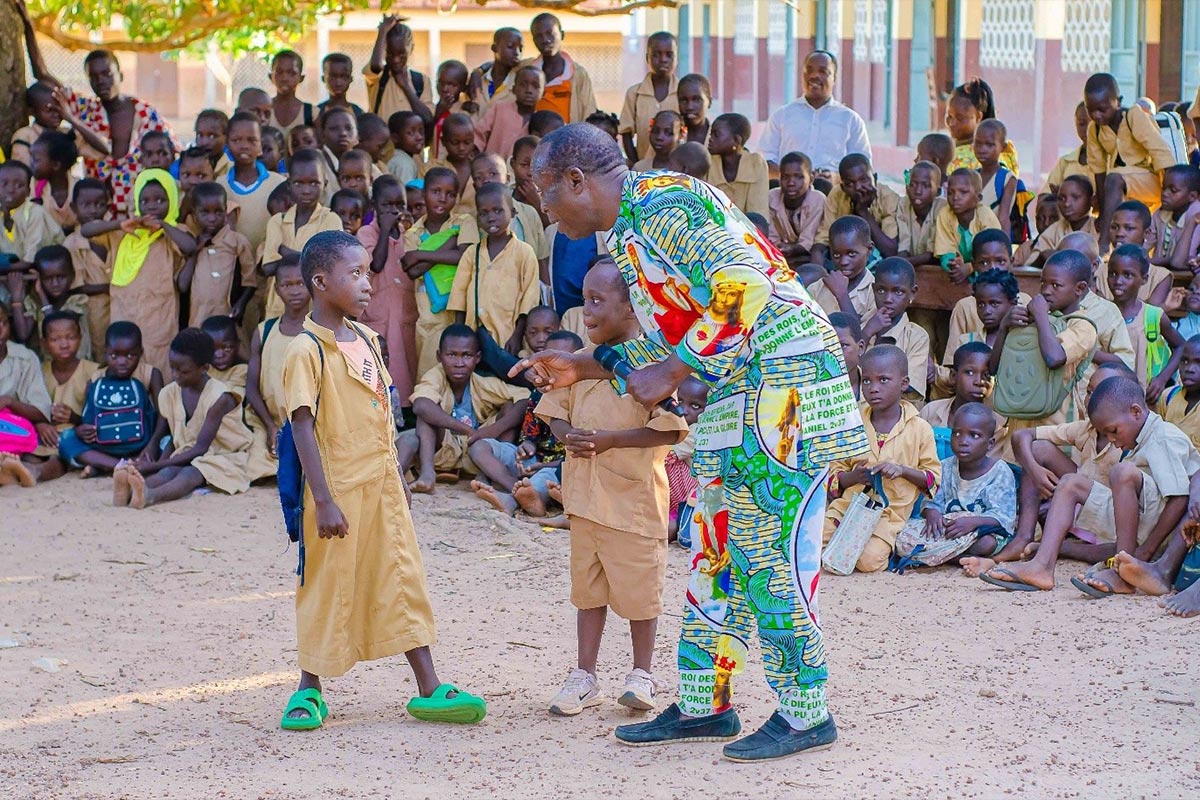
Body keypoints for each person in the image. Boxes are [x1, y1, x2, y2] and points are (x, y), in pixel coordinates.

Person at [514, 123, 868, 762]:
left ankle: (806, 712)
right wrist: (590, 366)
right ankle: (707, 704)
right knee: (714, 551)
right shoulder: (630, 231)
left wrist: (674, 372)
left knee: (769, 554)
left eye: (545, 192)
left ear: (575, 180)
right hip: (746, 395)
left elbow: (745, 284)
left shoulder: (663, 203)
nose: (544, 207)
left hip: (785, 388)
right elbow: (679, 336)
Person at [279, 230, 484, 729]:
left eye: (368, 271)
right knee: (327, 584)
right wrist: (324, 501)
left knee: (401, 576)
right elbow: (301, 426)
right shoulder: (305, 351)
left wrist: (399, 477)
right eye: (355, 274)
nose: (368, 283)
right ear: (321, 282)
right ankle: (309, 689)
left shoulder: (369, 340)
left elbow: (383, 417)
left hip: (383, 486)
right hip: (335, 493)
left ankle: (430, 687)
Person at [535, 259, 688, 715]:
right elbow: (555, 412)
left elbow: (668, 429)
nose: (587, 310)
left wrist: (609, 442)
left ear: (632, 307)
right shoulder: (578, 363)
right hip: (584, 500)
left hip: (634, 504)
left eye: (598, 301)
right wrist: (570, 438)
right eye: (584, 299)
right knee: (588, 591)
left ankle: (642, 674)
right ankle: (584, 675)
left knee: (641, 593)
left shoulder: (650, 367)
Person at [981, 376, 1200, 594]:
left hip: (1167, 529)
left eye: (1113, 431)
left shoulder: (1163, 437)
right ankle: (1042, 566)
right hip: (1144, 517)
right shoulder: (1138, 438)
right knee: (1070, 483)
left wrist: (1144, 553)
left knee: (1122, 472)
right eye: (1106, 434)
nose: (1112, 440)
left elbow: (1180, 499)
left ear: (1136, 412)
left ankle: (1122, 572)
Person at [18, 0, 175, 216]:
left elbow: (172, 154)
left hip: (141, 209)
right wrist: (28, 24)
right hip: (98, 210)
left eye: (107, 74)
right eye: (94, 77)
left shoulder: (147, 114)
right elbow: (41, 73)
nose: (101, 81)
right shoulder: (85, 109)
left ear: (120, 75)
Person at [823, 344, 941, 572]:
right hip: (848, 507)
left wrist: (902, 470)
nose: (873, 388)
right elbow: (833, 474)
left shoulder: (920, 428)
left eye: (883, 380)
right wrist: (852, 477)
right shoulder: (853, 422)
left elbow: (933, 479)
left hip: (889, 516)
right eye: (867, 381)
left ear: (904, 384)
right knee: (814, 541)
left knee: (869, 562)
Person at [112, 327, 250, 509]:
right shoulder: (171, 392)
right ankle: (130, 491)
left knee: (190, 473)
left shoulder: (220, 397)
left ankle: (150, 495)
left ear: (204, 368)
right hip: (188, 452)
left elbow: (200, 449)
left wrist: (153, 466)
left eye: (183, 371)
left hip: (224, 456)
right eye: (172, 368)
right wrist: (154, 451)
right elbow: (172, 432)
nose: (175, 375)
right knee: (168, 471)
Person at [79, 169, 195, 374]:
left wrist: (164, 225)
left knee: (158, 371)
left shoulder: (174, 233)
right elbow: (86, 230)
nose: (152, 206)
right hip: (124, 315)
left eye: (160, 200)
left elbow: (190, 247)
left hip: (159, 322)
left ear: (172, 200)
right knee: (125, 370)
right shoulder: (124, 233)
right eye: (145, 201)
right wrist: (119, 223)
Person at [399, 324, 528, 493]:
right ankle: (426, 474)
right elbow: (421, 405)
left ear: (478, 357)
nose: (459, 363)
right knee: (424, 415)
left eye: (466, 355)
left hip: (477, 450)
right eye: (452, 355)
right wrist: (466, 429)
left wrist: (491, 430)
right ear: (439, 356)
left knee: (509, 406)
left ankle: (488, 473)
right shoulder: (435, 376)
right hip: (441, 450)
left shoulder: (483, 382)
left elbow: (525, 398)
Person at [469, 313, 572, 518]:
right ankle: (513, 487)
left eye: (565, 361)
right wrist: (527, 447)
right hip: (534, 461)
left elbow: (579, 452)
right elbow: (529, 436)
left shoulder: (583, 397)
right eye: (550, 361)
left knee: (546, 478)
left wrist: (544, 465)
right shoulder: (538, 392)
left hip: (556, 468)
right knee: (479, 447)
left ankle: (520, 499)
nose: (557, 367)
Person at [988, 250, 1098, 431]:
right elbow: (993, 369)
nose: (1046, 291)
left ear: (1079, 288)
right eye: (1043, 283)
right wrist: (1003, 328)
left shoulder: (1082, 326)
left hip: (1056, 430)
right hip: (1019, 424)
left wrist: (1040, 316)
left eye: (1056, 285)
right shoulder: (1034, 318)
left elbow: (1055, 358)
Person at [899, 402, 1017, 566]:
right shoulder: (945, 467)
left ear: (990, 443)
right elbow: (932, 501)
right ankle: (952, 557)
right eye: (957, 434)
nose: (963, 441)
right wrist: (932, 514)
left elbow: (1003, 517)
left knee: (986, 544)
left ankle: (943, 557)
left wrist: (973, 522)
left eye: (974, 435)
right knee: (903, 535)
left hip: (980, 530)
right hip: (949, 530)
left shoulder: (999, 472)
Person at [1084, 73, 1179, 253]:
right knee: (1111, 184)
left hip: (1151, 183)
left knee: (1114, 178)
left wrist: (1172, 194)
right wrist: (1104, 214)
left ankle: (1103, 244)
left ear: (1118, 102)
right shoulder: (1094, 130)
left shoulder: (1133, 116)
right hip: (1124, 187)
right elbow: (1098, 172)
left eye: (1102, 109)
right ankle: (1116, 248)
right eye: (1091, 109)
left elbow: (1158, 149)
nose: (1096, 115)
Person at [448, 183, 540, 358]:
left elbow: (529, 299)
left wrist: (517, 336)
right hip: (475, 339)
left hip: (508, 337)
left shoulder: (524, 252)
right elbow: (459, 297)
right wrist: (461, 335)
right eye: (484, 213)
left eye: (498, 211)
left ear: (513, 212)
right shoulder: (472, 253)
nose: (491, 218)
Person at [402, 167, 477, 377]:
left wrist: (421, 254)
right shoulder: (413, 233)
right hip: (428, 318)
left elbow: (465, 256)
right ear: (424, 193)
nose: (443, 198)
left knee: (460, 375)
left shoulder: (464, 222)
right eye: (436, 191)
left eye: (450, 194)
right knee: (429, 376)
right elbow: (412, 270)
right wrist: (450, 244)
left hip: (460, 314)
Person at [758, 50, 871, 180]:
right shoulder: (782, 116)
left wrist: (834, 178)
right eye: (809, 70)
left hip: (834, 196)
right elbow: (763, 162)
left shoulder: (851, 120)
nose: (814, 76)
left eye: (823, 71)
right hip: (788, 196)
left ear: (834, 78)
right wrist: (793, 178)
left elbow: (863, 167)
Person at [243, 257, 307, 482]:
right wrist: (270, 427)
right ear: (277, 289)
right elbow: (251, 386)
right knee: (258, 464)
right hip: (272, 421)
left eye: (301, 283)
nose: (295, 291)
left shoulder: (322, 330)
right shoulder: (265, 331)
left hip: (311, 425)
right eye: (287, 285)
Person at [261, 149, 342, 320]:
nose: (306, 190)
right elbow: (268, 268)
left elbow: (329, 268)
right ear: (289, 185)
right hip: (278, 310)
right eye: (299, 183)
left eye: (314, 183)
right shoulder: (277, 221)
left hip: (317, 313)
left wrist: (285, 253)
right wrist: (308, 259)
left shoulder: (330, 220)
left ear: (325, 184)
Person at [1107, 245, 1183, 401]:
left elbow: (1181, 346)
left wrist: (1162, 379)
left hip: (1146, 401)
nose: (1118, 281)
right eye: (1112, 274)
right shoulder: (1102, 313)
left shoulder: (1153, 316)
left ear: (1144, 279)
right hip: (1110, 398)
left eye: (1127, 275)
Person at [177, 183, 256, 329]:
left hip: (227, 318)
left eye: (218, 212)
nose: (212, 218)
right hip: (197, 320)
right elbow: (182, 285)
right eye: (205, 213)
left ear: (226, 211)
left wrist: (241, 304)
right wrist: (195, 251)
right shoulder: (191, 243)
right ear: (194, 214)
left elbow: (250, 281)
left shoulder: (238, 242)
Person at [35, 311, 97, 475]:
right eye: (55, 339)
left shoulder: (94, 372)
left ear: (80, 338)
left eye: (70, 337)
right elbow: (29, 407)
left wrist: (74, 418)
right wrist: (40, 424)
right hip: (46, 437)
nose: (64, 344)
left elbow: (98, 417)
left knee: (62, 451)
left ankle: (36, 472)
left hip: (78, 437)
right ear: (44, 343)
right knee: (31, 453)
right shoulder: (38, 372)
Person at [0, 302, 55, 486]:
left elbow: (41, 412)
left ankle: (27, 472)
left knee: (53, 455)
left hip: (13, 431)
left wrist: (8, 402)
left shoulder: (25, 358)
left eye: (2, 323)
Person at [861, 257, 930, 402]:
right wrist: (867, 333)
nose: (888, 299)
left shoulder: (916, 337)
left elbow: (910, 388)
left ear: (912, 293)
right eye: (881, 290)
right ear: (873, 290)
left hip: (900, 416)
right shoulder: (863, 327)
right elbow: (844, 374)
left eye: (898, 292)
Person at [219, 113, 288, 258]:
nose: (244, 146)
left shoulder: (278, 184)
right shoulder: (220, 184)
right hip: (231, 270)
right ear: (227, 144)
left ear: (261, 146)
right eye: (236, 140)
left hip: (267, 268)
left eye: (252, 140)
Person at [812, 153, 901, 261]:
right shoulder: (836, 195)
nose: (858, 187)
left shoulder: (889, 198)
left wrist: (863, 212)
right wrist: (817, 258)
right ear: (843, 187)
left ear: (875, 178)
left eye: (864, 180)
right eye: (850, 184)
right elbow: (824, 237)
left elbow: (890, 251)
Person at [10, 244, 90, 358]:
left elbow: (57, 327)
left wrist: (41, 293)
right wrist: (16, 297)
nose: (55, 283)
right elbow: (23, 334)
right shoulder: (34, 303)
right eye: (48, 279)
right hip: (47, 370)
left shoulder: (77, 301)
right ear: (39, 279)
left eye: (61, 277)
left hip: (77, 367)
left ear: (72, 275)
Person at [1095, 201, 1172, 306]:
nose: (1120, 233)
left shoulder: (1160, 276)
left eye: (1129, 228)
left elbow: (1150, 314)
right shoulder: (1097, 272)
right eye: (1114, 227)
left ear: (1147, 233)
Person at [525, 13, 597, 124]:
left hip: (568, 139)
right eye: (539, 36)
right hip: (535, 139)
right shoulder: (526, 70)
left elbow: (589, 113)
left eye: (550, 34)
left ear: (562, 35)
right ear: (534, 40)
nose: (545, 40)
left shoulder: (578, 74)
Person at [618, 32, 678, 164]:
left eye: (669, 54)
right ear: (647, 58)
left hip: (676, 168)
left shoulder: (681, 93)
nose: (663, 59)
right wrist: (636, 164)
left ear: (676, 58)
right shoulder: (635, 93)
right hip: (643, 166)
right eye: (656, 54)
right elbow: (626, 133)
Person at [805, 215, 877, 324]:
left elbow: (862, 337)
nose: (844, 262)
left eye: (851, 253)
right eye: (836, 255)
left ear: (869, 249)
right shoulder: (817, 288)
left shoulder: (875, 292)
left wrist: (842, 294)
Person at [934, 168, 1002, 282]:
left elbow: (992, 256)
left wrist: (970, 268)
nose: (955, 197)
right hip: (960, 273)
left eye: (963, 192)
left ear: (978, 198)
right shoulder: (945, 214)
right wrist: (954, 266)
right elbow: (946, 251)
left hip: (989, 272)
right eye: (950, 193)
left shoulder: (986, 216)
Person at [364, 16, 433, 125]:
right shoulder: (377, 77)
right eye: (390, 53)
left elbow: (427, 119)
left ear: (411, 49)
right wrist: (383, 31)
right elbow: (376, 65)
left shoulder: (421, 81)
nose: (396, 60)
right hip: (383, 142)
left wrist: (405, 86)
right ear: (384, 50)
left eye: (401, 54)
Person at [0, 161, 64, 276]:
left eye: (19, 185)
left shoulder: (35, 213)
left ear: (28, 191)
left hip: (46, 272)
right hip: (11, 271)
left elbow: (30, 261)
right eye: (4, 184)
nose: (10, 190)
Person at [946, 78, 1018, 174]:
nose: (952, 123)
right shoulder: (949, 148)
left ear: (978, 117)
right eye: (949, 116)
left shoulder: (982, 158)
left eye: (960, 118)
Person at [474, 66, 544, 161]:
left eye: (535, 86)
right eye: (523, 85)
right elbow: (479, 135)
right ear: (513, 89)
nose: (529, 90)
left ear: (543, 92)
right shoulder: (499, 108)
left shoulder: (543, 120)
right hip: (492, 170)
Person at [767, 152, 825, 266]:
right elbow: (771, 236)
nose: (791, 183)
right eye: (785, 177)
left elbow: (808, 241)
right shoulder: (771, 197)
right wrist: (778, 247)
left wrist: (792, 249)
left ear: (811, 179)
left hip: (808, 255)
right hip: (778, 255)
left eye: (798, 177)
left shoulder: (817, 200)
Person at [1024, 176, 1096, 267]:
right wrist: (1043, 257)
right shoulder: (1053, 231)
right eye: (1062, 198)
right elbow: (1030, 266)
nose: (1067, 204)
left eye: (1075, 197)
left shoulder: (1098, 228)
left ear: (1092, 200)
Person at [705, 113, 768, 218]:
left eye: (716, 135)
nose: (710, 139)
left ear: (736, 140)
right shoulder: (708, 162)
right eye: (710, 135)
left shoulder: (755, 164)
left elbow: (758, 214)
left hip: (746, 231)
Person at [29, 130, 80, 232]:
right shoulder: (32, 188)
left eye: (36, 159)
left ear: (56, 165)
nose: (30, 163)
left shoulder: (80, 190)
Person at [896, 161, 945, 268]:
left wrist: (903, 263)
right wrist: (901, 262)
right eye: (913, 184)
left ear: (938, 191)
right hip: (911, 266)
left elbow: (932, 255)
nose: (918, 191)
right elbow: (903, 245)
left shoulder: (943, 209)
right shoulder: (903, 205)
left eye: (926, 186)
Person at [1152, 165, 1200, 270]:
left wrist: (1152, 261)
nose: (1164, 194)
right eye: (1163, 188)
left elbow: (1180, 262)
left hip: (1187, 277)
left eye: (1173, 190)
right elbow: (1143, 247)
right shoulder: (1160, 214)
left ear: (1192, 196)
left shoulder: (1196, 214)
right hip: (1163, 273)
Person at [469, 27, 525, 118]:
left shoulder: (521, 80)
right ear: (494, 48)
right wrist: (477, 72)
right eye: (510, 46)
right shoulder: (478, 82)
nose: (517, 52)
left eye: (521, 48)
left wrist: (478, 71)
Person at [1046, 102, 1093, 195]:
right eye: (1082, 124)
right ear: (1075, 124)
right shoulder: (1066, 162)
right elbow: (1044, 199)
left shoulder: (1113, 162)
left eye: (1093, 124)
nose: (1088, 130)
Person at [430, 60, 470, 163]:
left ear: (462, 87)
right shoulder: (431, 110)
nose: (444, 88)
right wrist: (438, 113)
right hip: (434, 166)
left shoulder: (466, 112)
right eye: (441, 83)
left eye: (451, 84)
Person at [828, 312, 864, 401]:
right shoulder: (812, 391)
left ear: (860, 347)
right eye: (827, 346)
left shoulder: (875, 389)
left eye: (843, 345)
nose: (834, 352)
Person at [317, 53, 365, 118]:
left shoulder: (359, 113)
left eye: (344, 76)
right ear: (323, 79)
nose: (338, 83)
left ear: (351, 79)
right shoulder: (315, 113)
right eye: (333, 77)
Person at [677, 73, 713, 148]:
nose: (689, 107)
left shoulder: (719, 139)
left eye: (696, 100)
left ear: (709, 102)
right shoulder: (670, 136)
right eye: (684, 100)